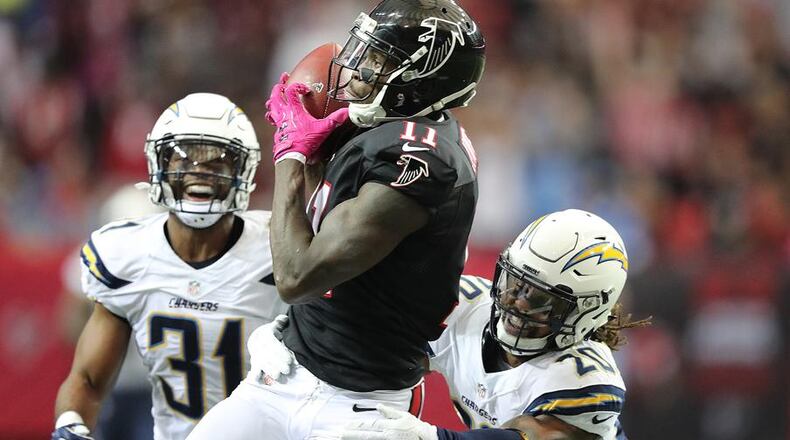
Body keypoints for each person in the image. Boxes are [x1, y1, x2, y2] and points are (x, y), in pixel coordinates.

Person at [186, 1, 486, 439]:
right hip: (285, 375)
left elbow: (296, 276)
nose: (356, 69)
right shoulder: (385, 129)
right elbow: (323, 222)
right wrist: (313, 160)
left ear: (421, 79)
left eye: (379, 60)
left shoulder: (423, 160)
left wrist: (290, 153)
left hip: (358, 407)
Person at [52, 93, 288, 440]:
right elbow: (87, 378)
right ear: (158, 165)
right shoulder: (126, 253)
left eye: (216, 163)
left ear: (243, 172)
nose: (199, 174)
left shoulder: (276, 247)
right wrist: (70, 423)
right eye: (184, 160)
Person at [341, 209, 651, 440]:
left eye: (542, 299)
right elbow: (382, 343)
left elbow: (527, 436)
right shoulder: (467, 308)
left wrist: (433, 437)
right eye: (516, 281)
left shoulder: (583, 377)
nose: (517, 301)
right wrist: (306, 336)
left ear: (586, 313)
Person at [56, 185, 163, 440]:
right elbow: (68, 328)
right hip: (109, 382)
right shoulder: (93, 260)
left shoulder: (174, 265)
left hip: (158, 384)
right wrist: (94, 311)